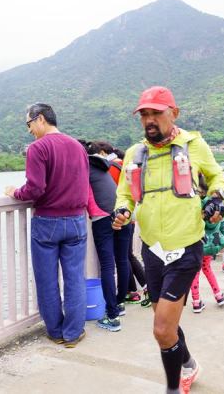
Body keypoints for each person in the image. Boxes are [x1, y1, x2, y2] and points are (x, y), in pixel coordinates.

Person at [112, 86, 224, 394]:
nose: (149, 120)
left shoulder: (194, 145)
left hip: (186, 247)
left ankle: (174, 388)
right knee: (167, 326)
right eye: (144, 114)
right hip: (151, 249)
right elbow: (124, 193)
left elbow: (217, 178)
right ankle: (188, 363)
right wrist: (122, 210)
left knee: (161, 328)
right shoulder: (135, 154)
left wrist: (216, 199)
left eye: (156, 113)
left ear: (173, 113)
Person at [5, 103, 89, 348]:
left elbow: (35, 189)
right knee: (75, 278)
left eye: (29, 123)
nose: (29, 129)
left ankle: (55, 331)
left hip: (47, 222)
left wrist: (15, 192)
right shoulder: (77, 146)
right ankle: (73, 334)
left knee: (47, 280)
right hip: (76, 220)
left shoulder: (38, 148)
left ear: (40, 119)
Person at [80, 140, 131, 331]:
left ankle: (112, 316)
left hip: (102, 218)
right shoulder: (100, 164)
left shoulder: (83, 167)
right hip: (121, 213)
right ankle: (118, 303)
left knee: (108, 266)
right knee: (122, 260)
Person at [190, 175, 224, 313]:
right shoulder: (221, 207)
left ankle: (196, 302)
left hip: (198, 244)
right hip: (211, 245)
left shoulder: (200, 205)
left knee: (195, 273)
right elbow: (223, 226)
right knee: (207, 269)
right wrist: (222, 243)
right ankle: (218, 295)